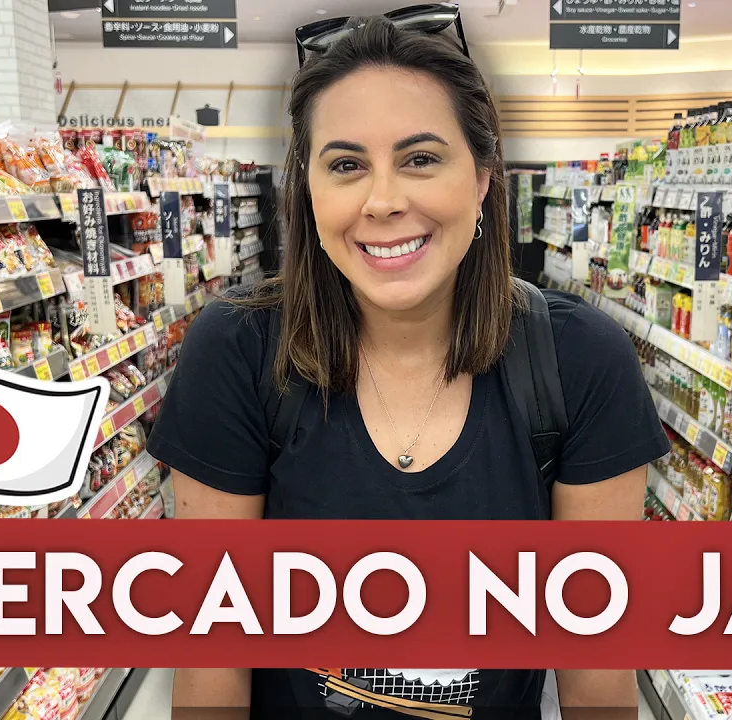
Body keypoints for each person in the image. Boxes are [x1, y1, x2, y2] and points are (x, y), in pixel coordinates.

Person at [148, 7, 669, 718]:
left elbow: (596, 676)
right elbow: (213, 661)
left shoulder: (580, 360)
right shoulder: (239, 350)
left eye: (421, 158)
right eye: (346, 165)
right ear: (309, 190)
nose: (384, 201)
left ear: (482, 177)